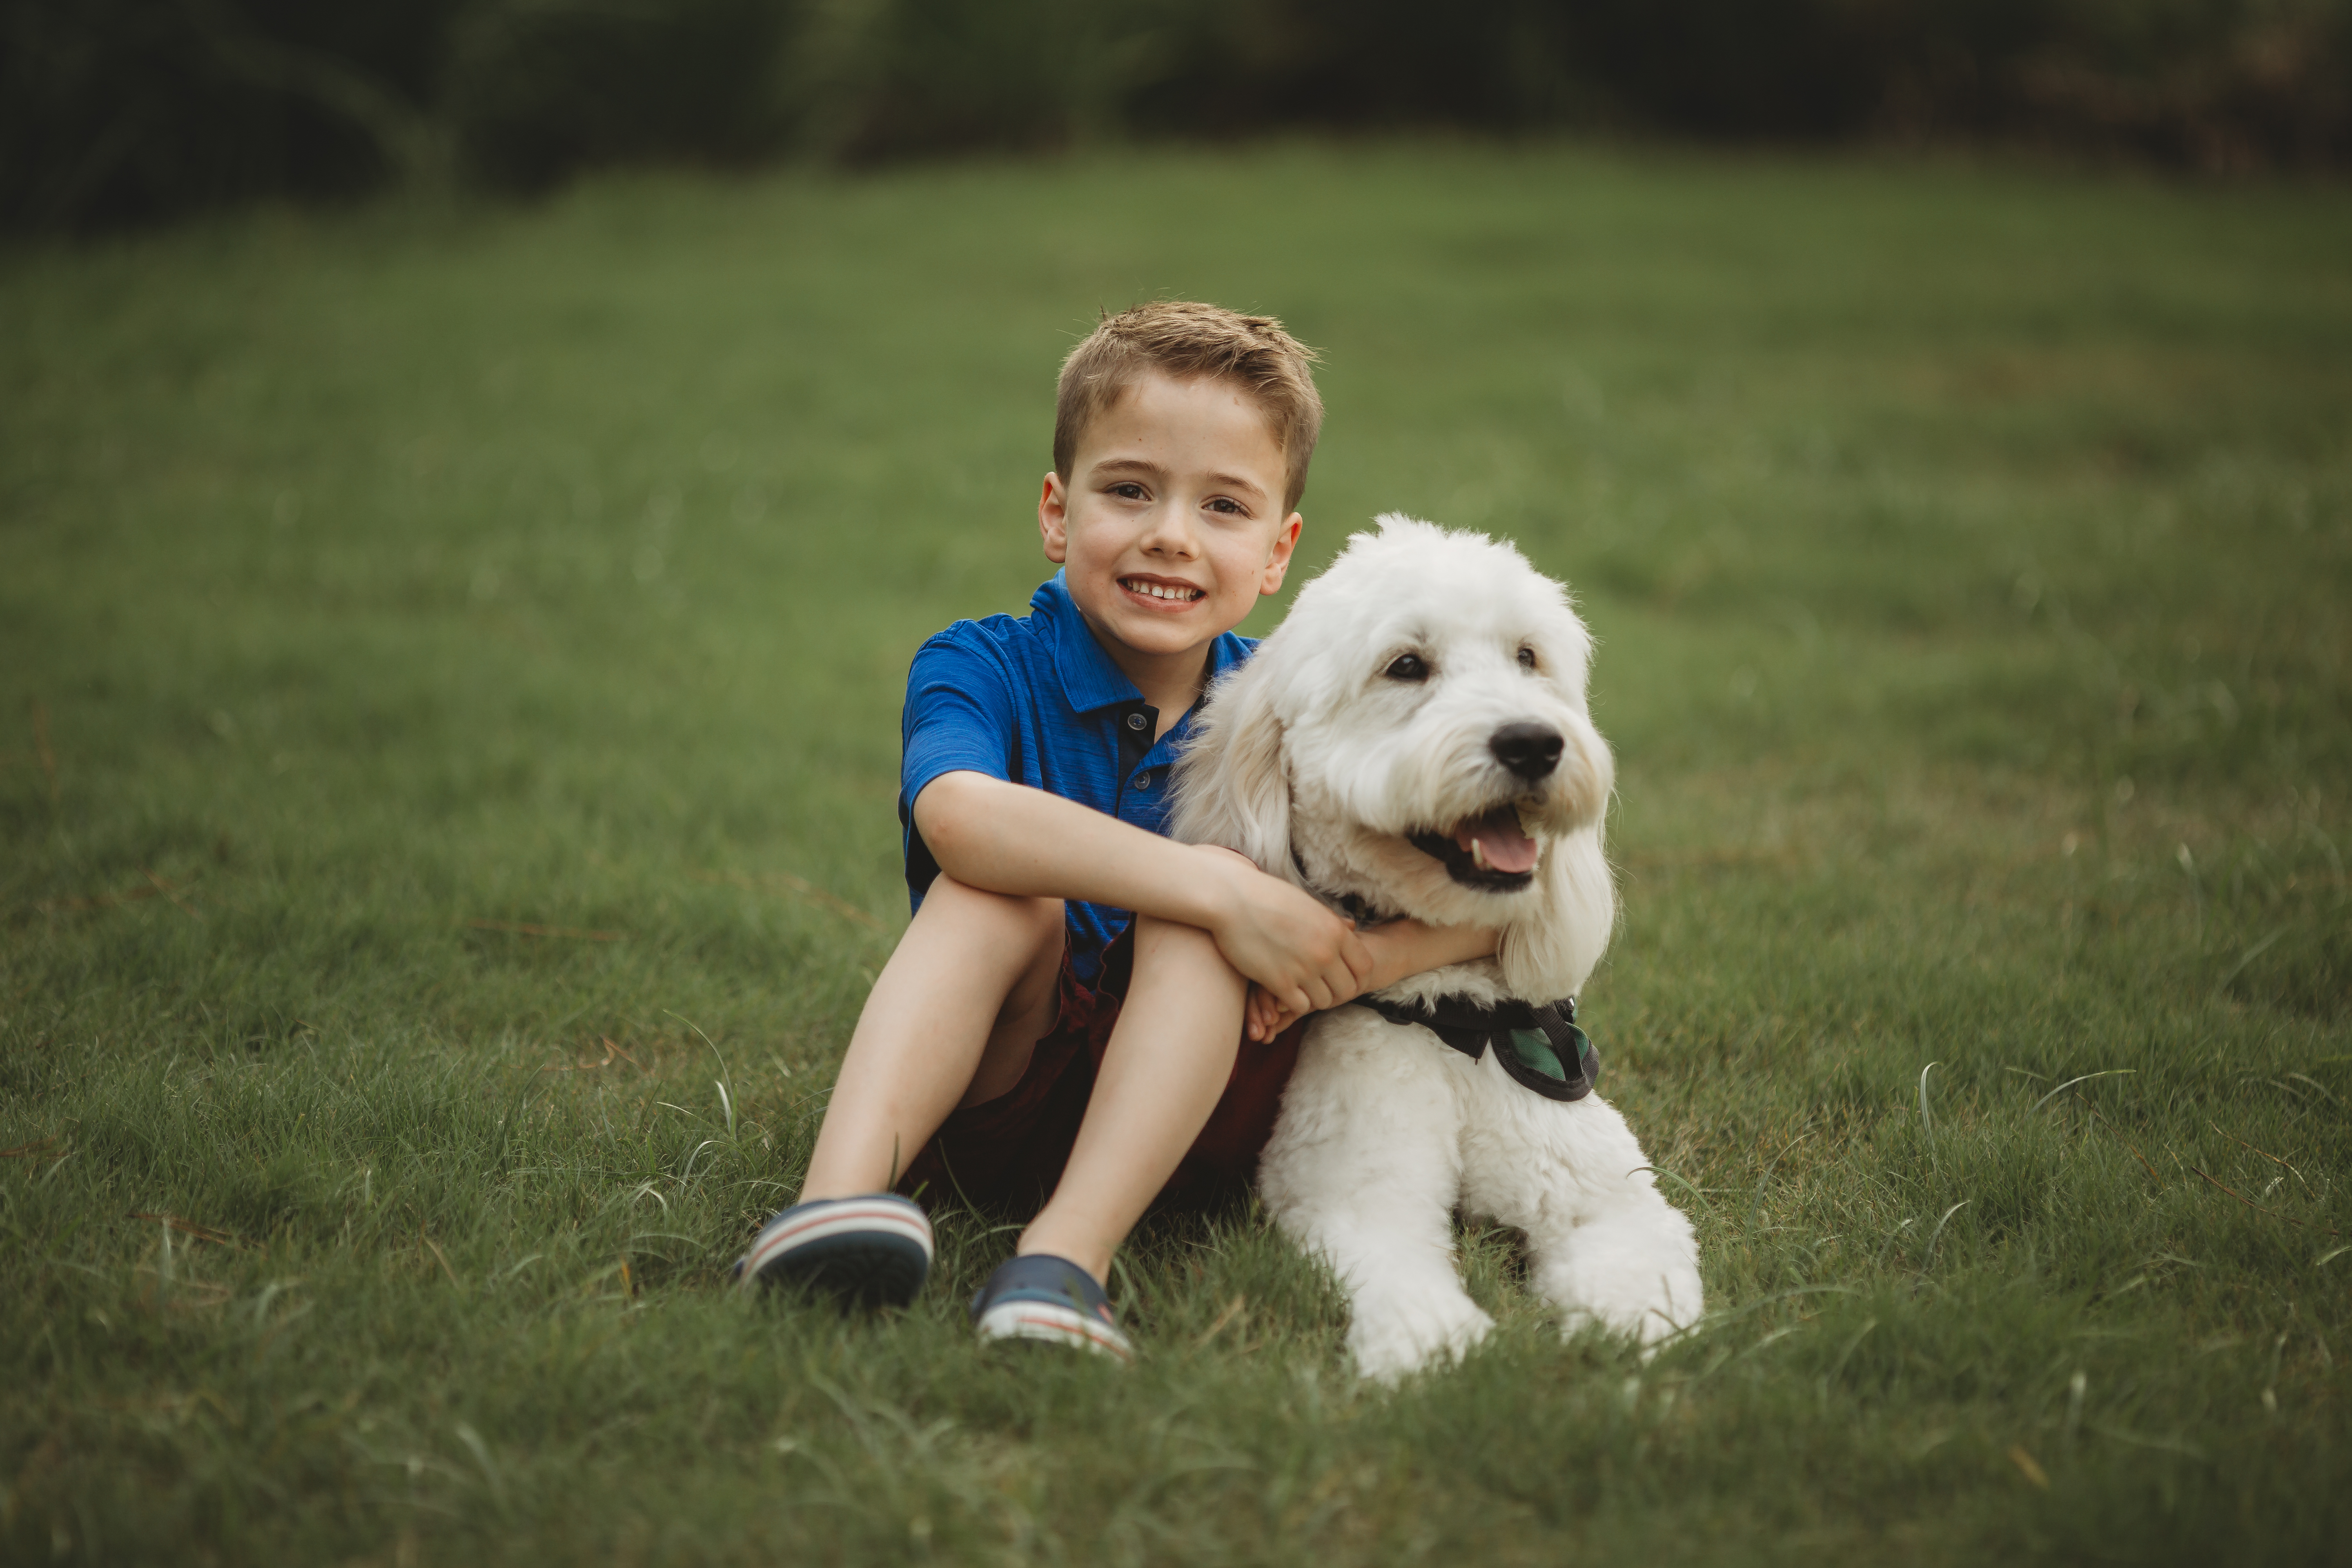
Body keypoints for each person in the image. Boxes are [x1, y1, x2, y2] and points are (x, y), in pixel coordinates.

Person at [735, 301, 1496, 1358]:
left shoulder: (1295, 698)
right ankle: (829, 1213)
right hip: (1001, 1089)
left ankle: (1062, 1265)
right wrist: (1224, 890)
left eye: (1222, 506)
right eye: (1130, 489)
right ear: (1057, 511)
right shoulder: (982, 662)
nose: (1170, 535)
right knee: (1007, 896)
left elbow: (1499, 909)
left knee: (1191, 928)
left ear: (1279, 553)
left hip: (1207, 1112)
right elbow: (956, 817)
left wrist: (1353, 960)